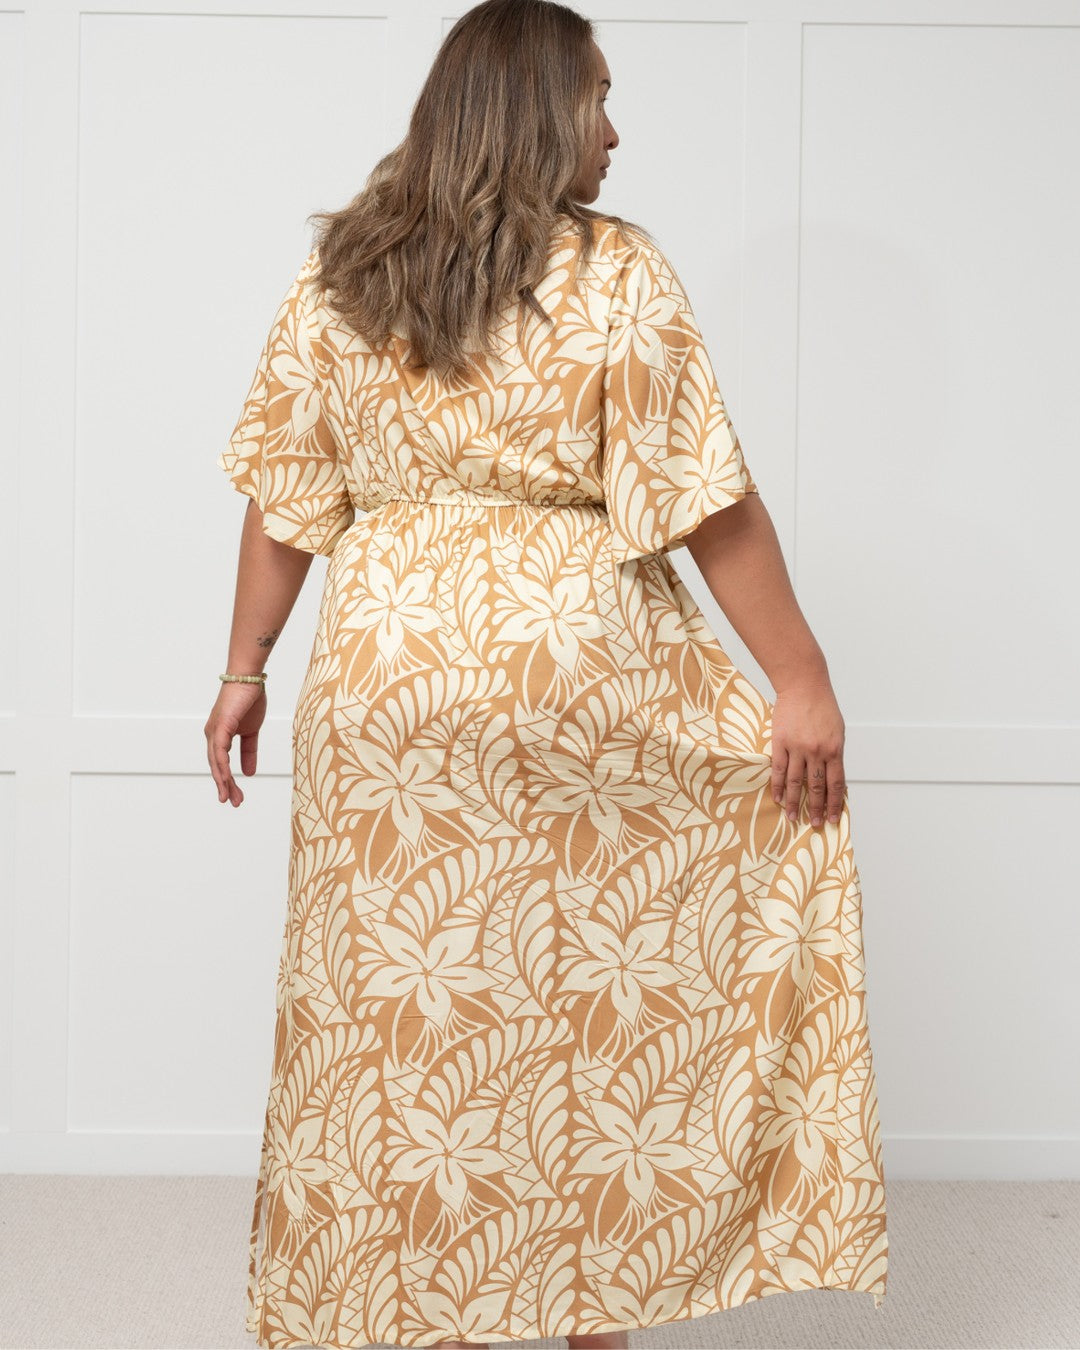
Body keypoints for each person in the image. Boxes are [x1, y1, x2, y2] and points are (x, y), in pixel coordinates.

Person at [205, 2, 889, 1347]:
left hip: (384, 695)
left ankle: (431, 1317)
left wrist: (243, 666)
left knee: (402, 1027)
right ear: (532, 114)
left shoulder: (341, 278)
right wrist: (800, 678)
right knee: (594, 1016)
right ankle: (590, 1314)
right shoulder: (618, 275)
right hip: (575, 688)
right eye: (596, 100)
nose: (616, 130)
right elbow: (708, 502)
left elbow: (288, 498)